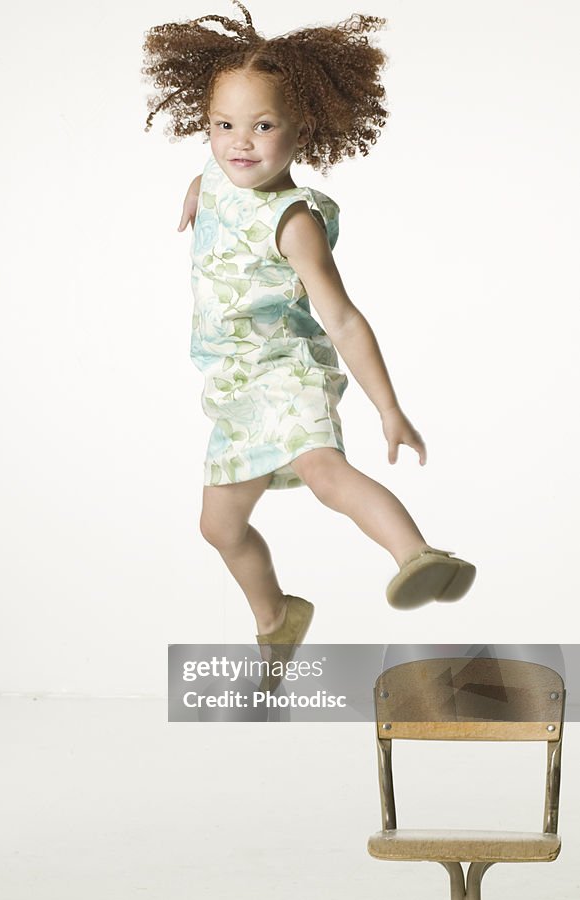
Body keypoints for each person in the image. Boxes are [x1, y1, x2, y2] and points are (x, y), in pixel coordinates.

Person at [142, 1, 476, 678]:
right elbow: (215, 171)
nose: (240, 142)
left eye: (263, 126)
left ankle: (417, 556)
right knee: (219, 528)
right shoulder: (215, 174)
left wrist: (387, 407)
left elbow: (343, 319)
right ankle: (276, 617)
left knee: (324, 472)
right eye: (222, 125)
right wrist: (194, 188)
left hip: (284, 369)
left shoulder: (293, 221)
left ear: (303, 128)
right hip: (233, 388)